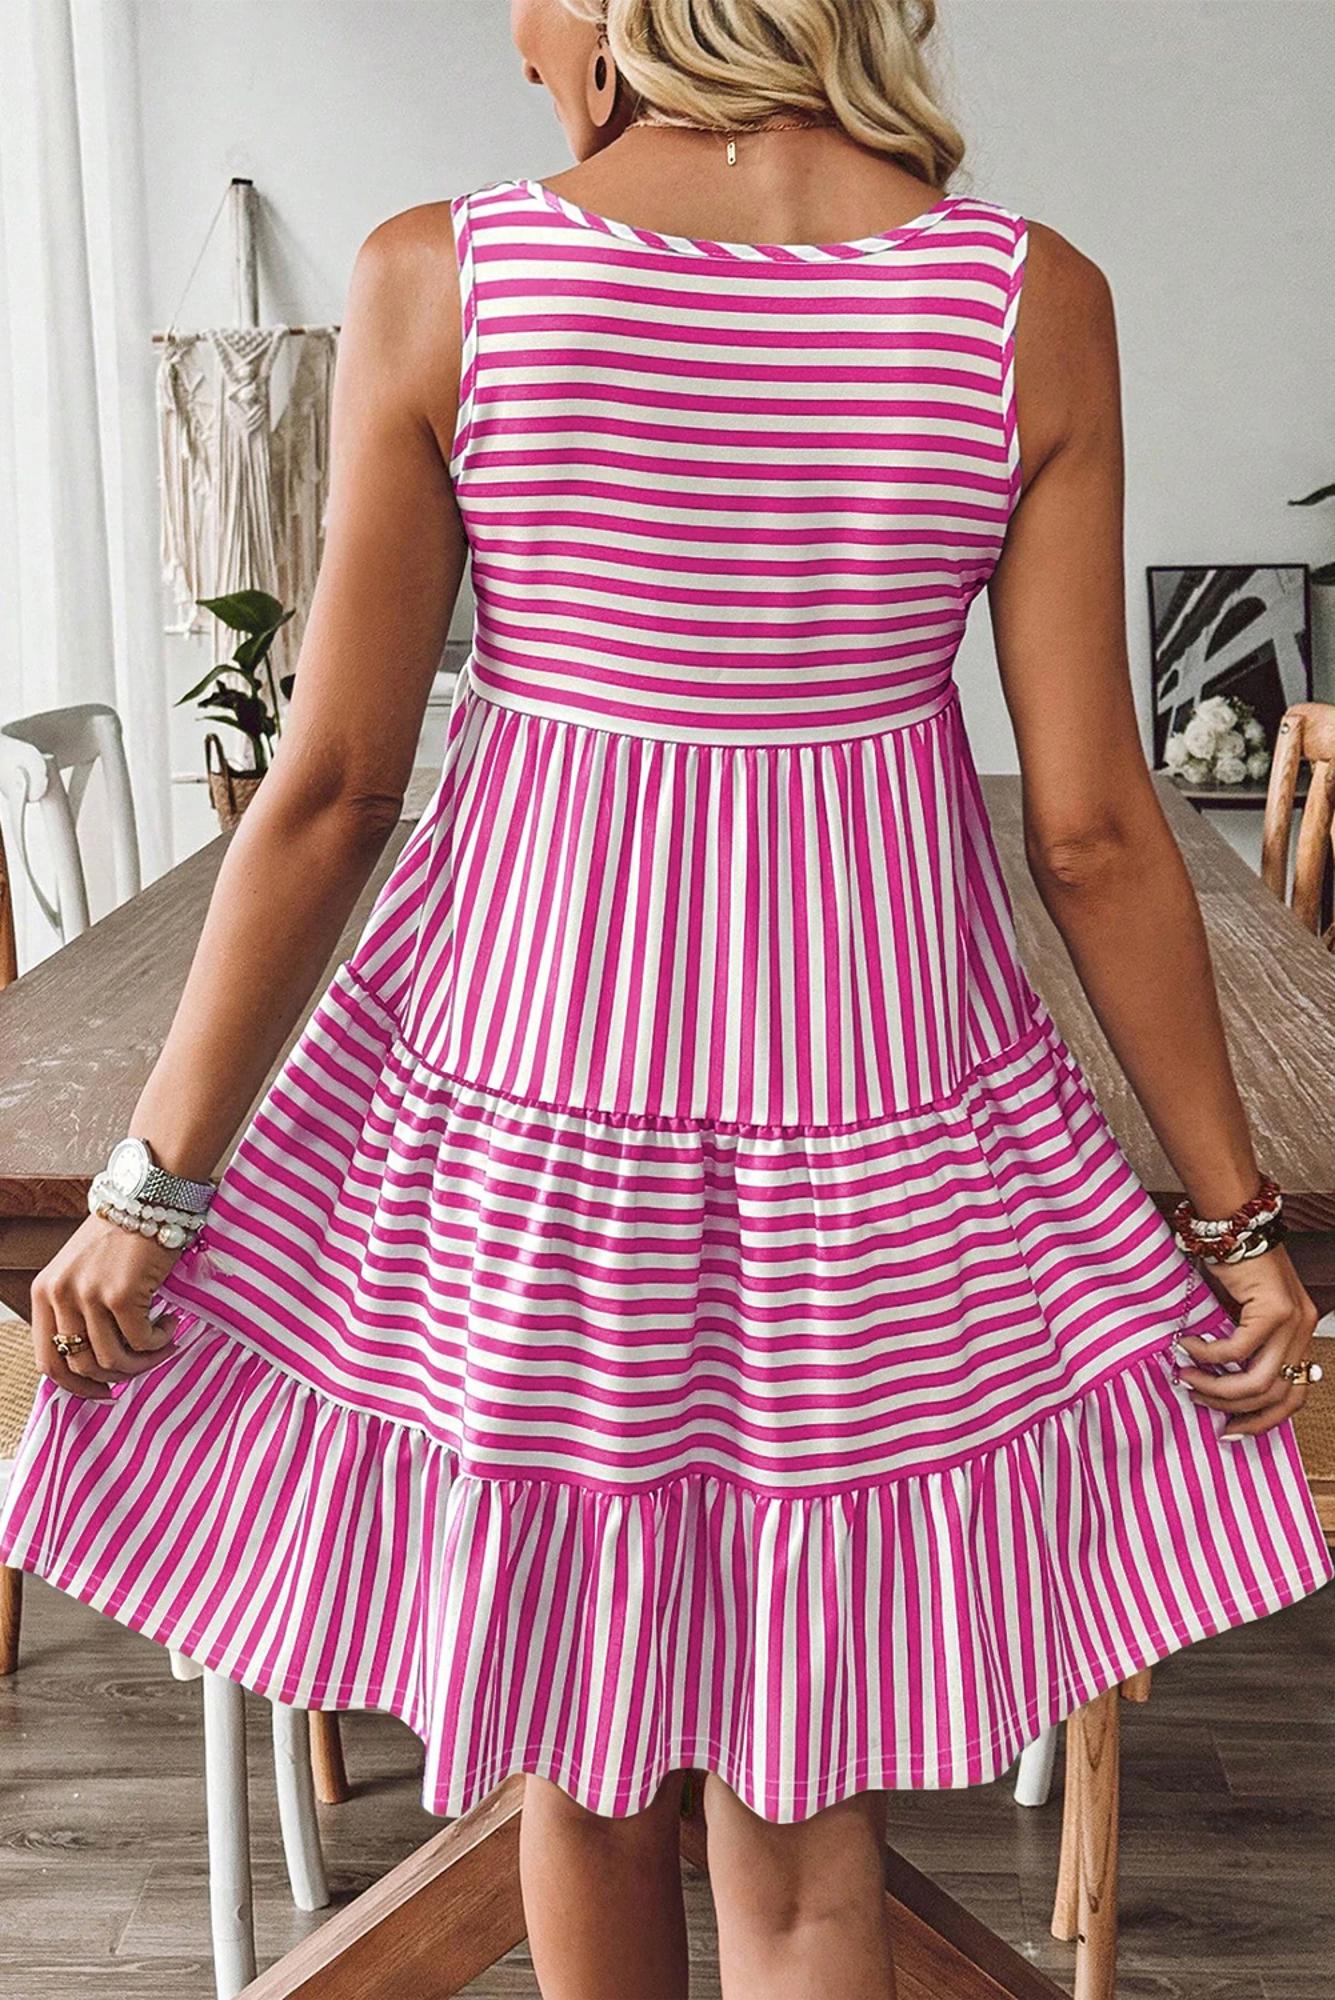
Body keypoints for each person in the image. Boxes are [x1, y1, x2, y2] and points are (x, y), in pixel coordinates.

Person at [2, 2, 1330, 1995]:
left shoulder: (444, 277)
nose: (509, 27)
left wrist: (150, 1189)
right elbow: (1091, 834)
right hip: (869, 1114)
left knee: (582, 1763)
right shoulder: (1024, 299)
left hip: (534, 1115)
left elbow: (334, 788)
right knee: (804, 1835)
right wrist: (1232, 1223)